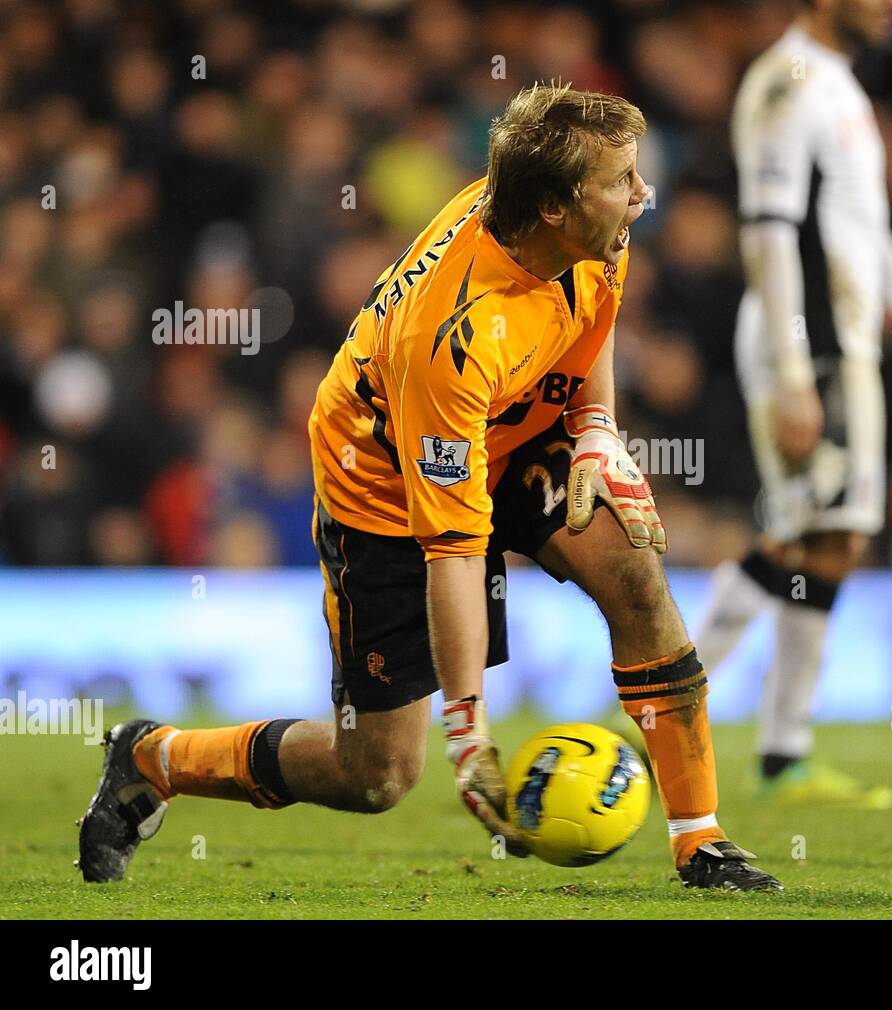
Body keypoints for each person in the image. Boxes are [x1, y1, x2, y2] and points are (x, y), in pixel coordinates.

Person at [78, 83, 781, 892]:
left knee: (634, 573)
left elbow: (594, 314)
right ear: (555, 207)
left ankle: (702, 840)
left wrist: (595, 428)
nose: (643, 195)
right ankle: (154, 757)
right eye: (623, 182)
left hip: (511, 424)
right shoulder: (453, 337)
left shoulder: (579, 223)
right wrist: (469, 730)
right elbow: (454, 553)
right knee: (374, 775)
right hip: (384, 481)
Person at [693, 0, 892, 805]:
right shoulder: (785, 84)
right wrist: (790, 369)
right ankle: (667, 705)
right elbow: (769, 231)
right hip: (807, 341)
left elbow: (859, 226)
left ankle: (782, 751)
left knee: (828, 538)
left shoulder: (837, 86)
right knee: (799, 534)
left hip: (841, 344)